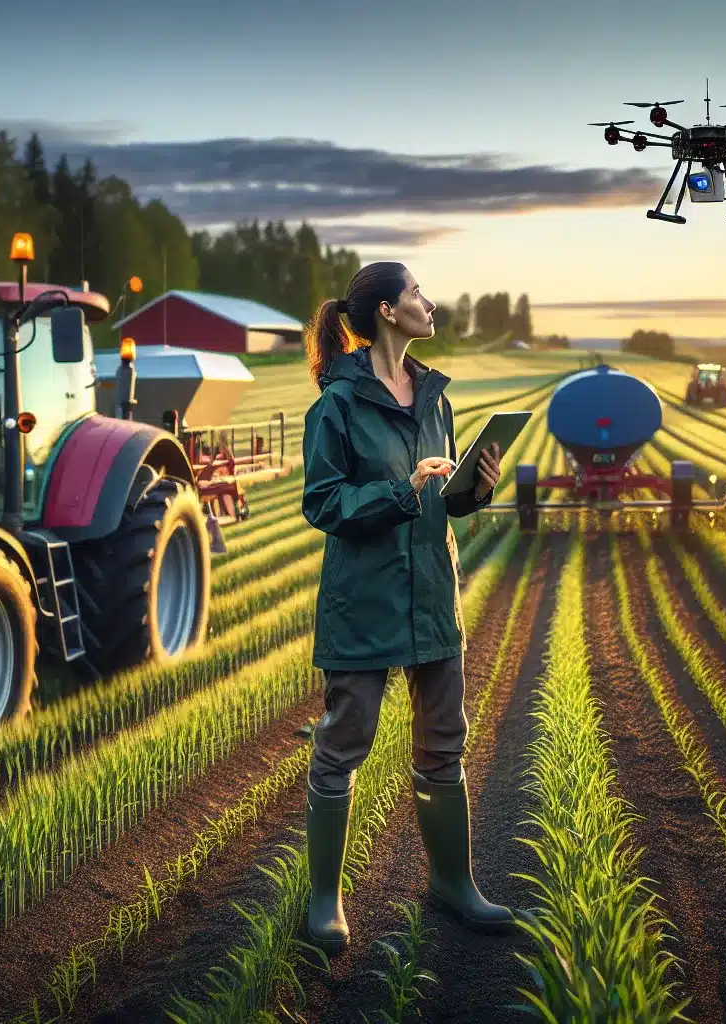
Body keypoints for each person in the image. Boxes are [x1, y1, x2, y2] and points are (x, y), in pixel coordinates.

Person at [299, 261, 514, 955]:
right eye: (417, 292)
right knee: (342, 748)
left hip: (432, 596)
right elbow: (323, 502)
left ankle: (455, 883)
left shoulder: (435, 397)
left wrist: (477, 487)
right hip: (364, 602)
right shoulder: (336, 403)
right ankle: (325, 901)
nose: (428, 302)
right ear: (388, 312)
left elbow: (441, 500)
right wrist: (400, 489)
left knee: (443, 745)